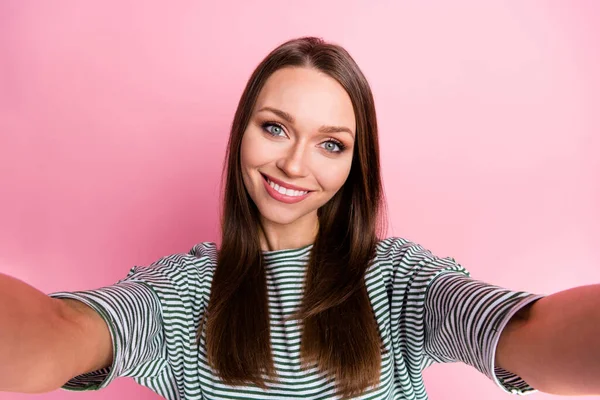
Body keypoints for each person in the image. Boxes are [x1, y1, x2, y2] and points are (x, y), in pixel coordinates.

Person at [0, 37, 598, 400]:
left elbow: (529, 334)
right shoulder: (179, 295)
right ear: (242, 133)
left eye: (330, 144)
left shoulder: (400, 282)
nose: (293, 162)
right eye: (275, 128)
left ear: (354, 164)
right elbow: (59, 332)